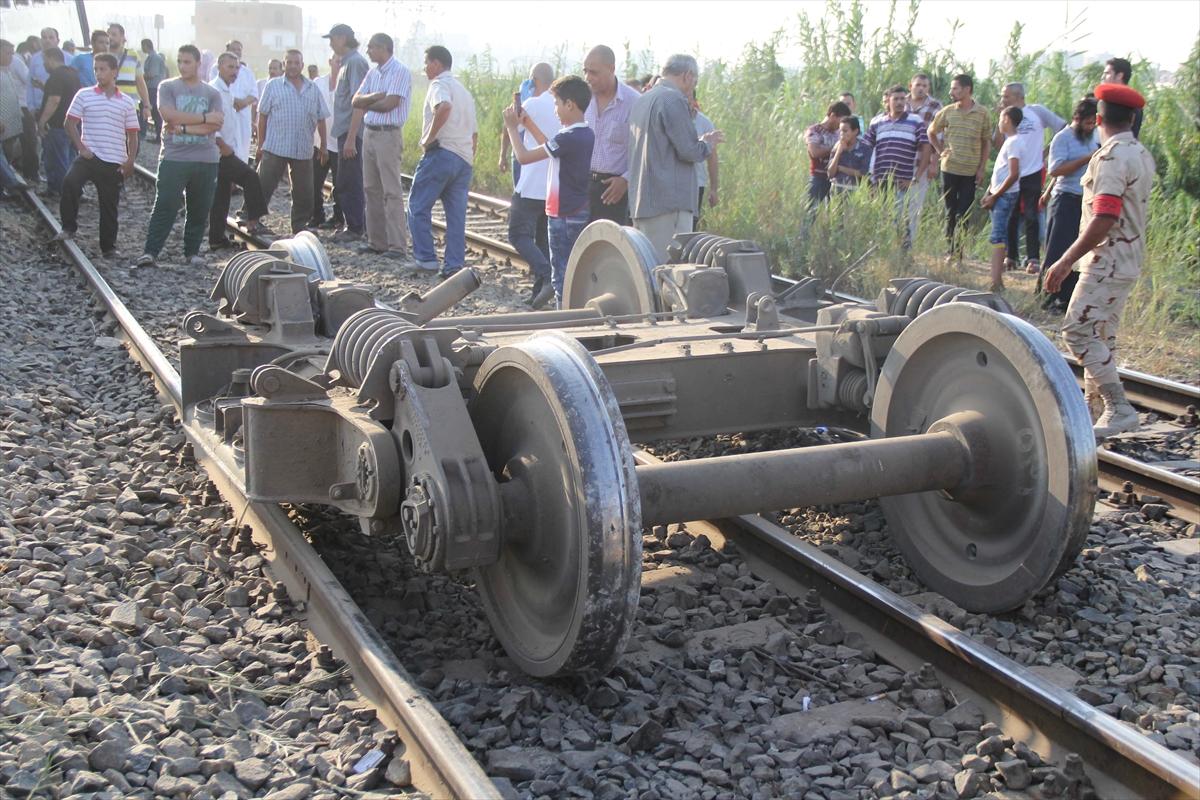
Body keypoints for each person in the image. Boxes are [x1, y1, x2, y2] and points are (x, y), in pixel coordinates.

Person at [1044, 84, 1154, 438]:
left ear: (1098, 119)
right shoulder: (1140, 153)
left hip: (1106, 259)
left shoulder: (1110, 158)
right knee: (1101, 336)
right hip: (1127, 259)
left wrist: (1064, 261)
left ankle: (1117, 407)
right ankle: (1093, 416)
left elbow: (1104, 217)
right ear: (1133, 118)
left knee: (1077, 330)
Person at [503, 75, 595, 307]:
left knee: (561, 275)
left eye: (556, 103)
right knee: (572, 269)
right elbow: (550, 145)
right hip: (575, 210)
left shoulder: (568, 137)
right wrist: (529, 124)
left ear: (569, 105)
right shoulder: (583, 134)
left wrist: (513, 128)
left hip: (563, 214)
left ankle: (563, 316)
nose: (555, 109)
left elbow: (524, 157)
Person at [627, 54, 724, 261]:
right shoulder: (673, 99)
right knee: (668, 271)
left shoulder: (643, 99)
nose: (693, 86)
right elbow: (689, 150)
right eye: (695, 81)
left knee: (646, 267)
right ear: (688, 76)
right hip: (669, 203)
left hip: (643, 200)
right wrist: (707, 143)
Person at [135, 45, 223, 269]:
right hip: (175, 157)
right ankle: (151, 251)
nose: (183, 66)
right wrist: (204, 118)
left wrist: (184, 128)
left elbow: (215, 125)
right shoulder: (168, 87)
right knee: (165, 203)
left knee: (199, 207)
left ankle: (191, 252)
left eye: (187, 62)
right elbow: (168, 115)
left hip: (206, 159)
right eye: (180, 61)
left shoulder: (212, 93)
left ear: (197, 64)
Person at [56, 53, 139, 257]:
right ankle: (68, 227)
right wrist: (81, 147)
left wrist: (130, 161)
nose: (98, 73)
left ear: (114, 72)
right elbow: (69, 123)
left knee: (109, 205)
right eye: (96, 69)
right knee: (70, 183)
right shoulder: (84, 95)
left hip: (112, 160)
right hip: (88, 157)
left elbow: (132, 136)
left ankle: (108, 247)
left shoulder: (126, 102)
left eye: (103, 69)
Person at [408, 45, 476, 277]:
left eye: (427, 62)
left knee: (417, 206)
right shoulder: (465, 92)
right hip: (464, 159)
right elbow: (474, 134)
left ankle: (426, 259)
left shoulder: (439, 84)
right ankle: (454, 265)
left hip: (441, 153)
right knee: (456, 218)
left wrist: (428, 138)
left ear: (437, 64)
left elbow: (444, 107)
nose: (425, 68)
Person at [346, 32, 413, 259]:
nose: (368, 51)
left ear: (384, 47)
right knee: (371, 189)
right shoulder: (373, 73)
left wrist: (368, 102)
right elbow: (355, 100)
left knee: (391, 191)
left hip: (388, 135)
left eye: (372, 47)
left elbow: (390, 104)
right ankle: (377, 242)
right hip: (370, 134)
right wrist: (374, 97)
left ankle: (397, 246)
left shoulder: (400, 72)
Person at [993, 82, 1066, 273]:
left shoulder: (1036, 112)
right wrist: (999, 119)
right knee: (1011, 214)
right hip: (1011, 172)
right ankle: (1011, 256)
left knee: (1032, 214)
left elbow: (1063, 127)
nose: (1003, 99)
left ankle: (1033, 258)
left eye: (1006, 96)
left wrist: (1047, 151)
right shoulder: (1005, 118)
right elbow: (998, 143)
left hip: (1033, 171)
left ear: (1018, 96)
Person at [256, 49, 330, 234]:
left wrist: (323, 146)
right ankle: (251, 217)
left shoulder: (312, 89)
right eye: (289, 62)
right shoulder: (273, 86)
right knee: (264, 184)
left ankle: (299, 225)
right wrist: (260, 144)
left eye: (296, 63)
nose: (292, 66)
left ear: (302, 65)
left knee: (304, 191)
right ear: (284, 64)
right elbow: (263, 116)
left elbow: (321, 118)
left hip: (303, 149)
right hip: (276, 146)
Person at [1039, 98, 1100, 311]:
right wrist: (1087, 158)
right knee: (1057, 249)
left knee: (1077, 253)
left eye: (1094, 123)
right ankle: (1047, 297)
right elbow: (1055, 170)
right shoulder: (1062, 138)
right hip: (1065, 199)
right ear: (1077, 118)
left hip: (1086, 201)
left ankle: (1066, 298)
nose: (1091, 127)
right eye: (1088, 123)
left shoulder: (1095, 137)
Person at [505, 62, 557, 307]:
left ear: (534, 81)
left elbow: (515, 136)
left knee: (517, 234)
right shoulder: (560, 105)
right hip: (552, 185)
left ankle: (547, 275)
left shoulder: (531, 104)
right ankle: (539, 293)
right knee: (542, 240)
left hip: (530, 182)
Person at [209, 52, 270, 249]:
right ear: (219, 67)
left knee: (221, 197)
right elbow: (208, 120)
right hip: (220, 152)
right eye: (230, 67)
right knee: (250, 177)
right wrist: (221, 144)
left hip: (226, 150)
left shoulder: (227, 91)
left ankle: (217, 238)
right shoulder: (213, 91)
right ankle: (252, 218)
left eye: (236, 68)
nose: (234, 72)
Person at [928, 73, 992, 263]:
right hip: (950, 168)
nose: (951, 92)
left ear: (967, 90)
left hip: (970, 171)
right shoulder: (947, 111)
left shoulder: (982, 113)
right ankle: (950, 250)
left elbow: (986, 142)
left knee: (963, 212)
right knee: (950, 211)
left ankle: (959, 251)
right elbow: (931, 131)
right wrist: (940, 150)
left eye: (955, 88)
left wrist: (981, 168)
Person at [861, 85, 930, 248]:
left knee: (900, 220)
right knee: (880, 218)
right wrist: (867, 179)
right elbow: (866, 148)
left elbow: (926, 147)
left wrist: (916, 177)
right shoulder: (877, 122)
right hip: (879, 181)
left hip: (902, 181)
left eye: (902, 99)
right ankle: (880, 254)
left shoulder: (915, 121)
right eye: (896, 99)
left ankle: (904, 257)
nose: (900, 102)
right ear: (888, 101)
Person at [582, 45, 642, 225]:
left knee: (609, 247)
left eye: (594, 72)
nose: (587, 78)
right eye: (585, 71)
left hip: (614, 191)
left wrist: (626, 180)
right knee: (577, 245)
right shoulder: (582, 98)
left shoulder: (634, 102)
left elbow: (644, 150)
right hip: (581, 185)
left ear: (611, 69)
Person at [325, 24, 370, 242]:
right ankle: (354, 224)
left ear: (343, 38)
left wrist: (352, 137)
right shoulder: (345, 63)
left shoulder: (354, 63)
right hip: (345, 132)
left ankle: (355, 227)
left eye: (332, 39)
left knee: (350, 180)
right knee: (345, 180)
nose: (331, 43)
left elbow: (358, 102)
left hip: (352, 133)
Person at [979, 106, 1023, 293]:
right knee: (998, 235)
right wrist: (989, 191)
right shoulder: (1008, 142)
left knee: (998, 236)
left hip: (1004, 196)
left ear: (1006, 119)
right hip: (997, 193)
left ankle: (995, 281)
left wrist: (996, 196)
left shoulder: (1014, 142)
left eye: (1000, 118)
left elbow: (1013, 174)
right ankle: (996, 279)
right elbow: (1000, 171)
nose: (998, 122)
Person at [36, 47, 80, 196]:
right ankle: (69, 189)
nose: (44, 64)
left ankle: (64, 191)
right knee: (70, 160)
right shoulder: (72, 74)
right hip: (73, 125)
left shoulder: (56, 76)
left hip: (57, 125)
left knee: (58, 160)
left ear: (50, 58)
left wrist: (42, 121)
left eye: (44, 61)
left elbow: (55, 100)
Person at [903, 73, 942, 241]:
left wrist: (934, 163)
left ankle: (909, 243)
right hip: (900, 160)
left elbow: (939, 136)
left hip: (922, 162)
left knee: (914, 205)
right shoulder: (900, 103)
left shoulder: (935, 106)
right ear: (910, 85)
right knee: (895, 203)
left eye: (925, 86)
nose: (921, 89)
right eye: (918, 85)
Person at [310, 54, 341, 229]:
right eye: (337, 61)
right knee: (314, 183)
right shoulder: (318, 84)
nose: (340, 64)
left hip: (339, 144)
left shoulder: (348, 84)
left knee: (340, 185)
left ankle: (338, 217)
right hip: (319, 142)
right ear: (330, 62)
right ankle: (317, 215)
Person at [107, 23, 152, 136]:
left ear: (122, 37)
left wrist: (146, 105)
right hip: (107, 107)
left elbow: (140, 82)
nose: (110, 37)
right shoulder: (102, 56)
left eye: (114, 34)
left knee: (130, 144)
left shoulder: (133, 55)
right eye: (108, 34)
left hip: (129, 107)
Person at [805, 101, 851, 205]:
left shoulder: (840, 132)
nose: (841, 126)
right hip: (818, 178)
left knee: (836, 215)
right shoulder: (814, 131)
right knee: (811, 212)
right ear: (833, 116)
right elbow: (814, 152)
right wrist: (836, 149)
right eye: (841, 121)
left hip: (837, 180)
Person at [498, 77, 535, 186]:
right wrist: (502, 156)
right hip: (521, 155)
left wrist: (502, 156)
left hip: (530, 156)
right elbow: (507, 129)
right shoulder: (517, 107)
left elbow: (506, 130)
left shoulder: (521, 103)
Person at [691, 92, 718, 229]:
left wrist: (714, 189)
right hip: (674, 183)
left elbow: (712, 157)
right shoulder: (674, 120)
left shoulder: (704, 123)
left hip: (697, 184)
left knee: (690, 226)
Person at [0, 40, 26, 170]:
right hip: (2, 123)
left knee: (8, 153)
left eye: (12, 53)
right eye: (7, 53)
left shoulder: (7, 70)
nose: (11, 57)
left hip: (12, 121)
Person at [827, 116, 871, 191]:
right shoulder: (837, 146)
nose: (841, 134)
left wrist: (841, 168)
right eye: (840, 131)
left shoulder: (865, 148)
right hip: (837, 188)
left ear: (855, 131)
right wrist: (838, 153)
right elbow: (830, 174)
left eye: (845, 131)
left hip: (855, 190)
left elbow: (863, 173)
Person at [1101, 58, 1141, 138]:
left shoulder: (1132, 103)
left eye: (1107, 73)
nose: (1103, 77)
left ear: (1119, 76)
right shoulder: (1105, 99)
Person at [141, 39, 168, 142]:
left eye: (143, 45)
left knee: (154, 112)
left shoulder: (155, 58)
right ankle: (157, 136)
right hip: (151, 87)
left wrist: (139, 77)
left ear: (147, 45)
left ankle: (157, 137)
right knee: (154, 112)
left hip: (154, 87)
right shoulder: (150, 57)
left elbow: (152, 74)